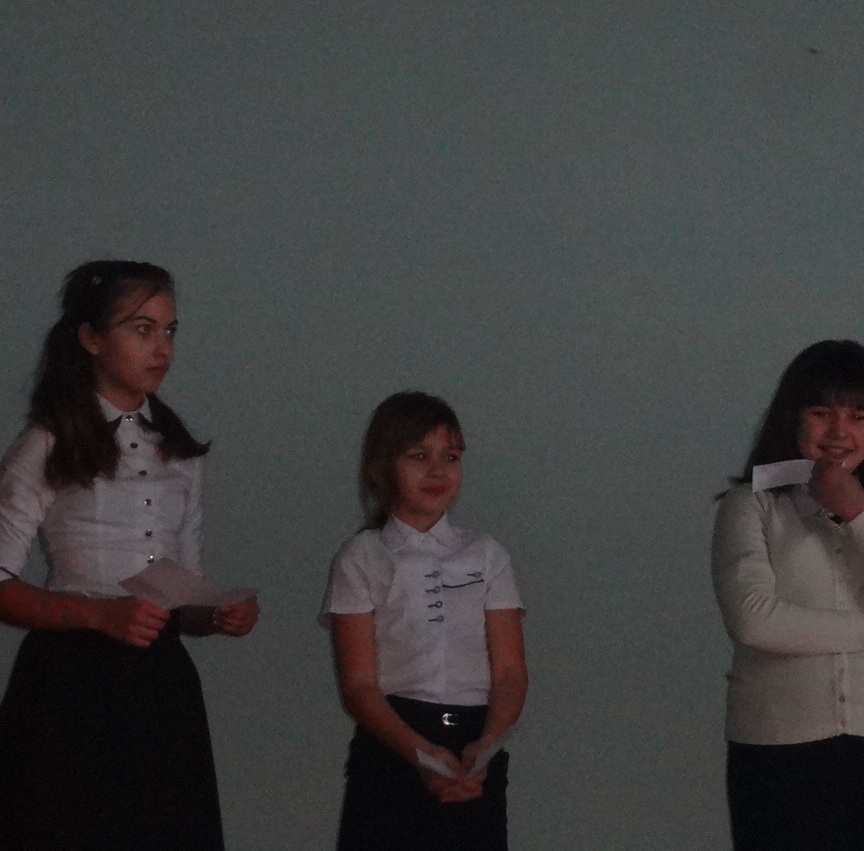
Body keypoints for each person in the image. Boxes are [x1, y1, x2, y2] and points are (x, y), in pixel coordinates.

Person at [0, 260, 259, 849]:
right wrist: (99, 614)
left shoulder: (180, 453)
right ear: (91, 339)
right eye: (142, 329)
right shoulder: (46, 442)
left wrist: (215, 613)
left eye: (170, 331)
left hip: (159, 683)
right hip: (69, 681)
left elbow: (183, 592)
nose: (161, 347)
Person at [712, 340, 864, 851]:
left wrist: (859, 511)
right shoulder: (750, 504)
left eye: (859, 416)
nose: (840, 431)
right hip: (775, 746)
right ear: (792, 418)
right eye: (822, 413)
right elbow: (754, 619)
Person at [323, 391, 527, 850]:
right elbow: (359, 686)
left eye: (450, 457)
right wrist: (419, 753)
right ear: (382, 467)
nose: (437, 471)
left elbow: (510, 674)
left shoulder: (487, 554)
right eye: (418, 456)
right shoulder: (362, 557)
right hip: (393, 741)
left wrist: (487, 742)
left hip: (475, 746)